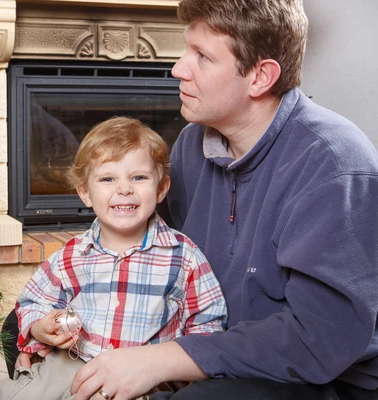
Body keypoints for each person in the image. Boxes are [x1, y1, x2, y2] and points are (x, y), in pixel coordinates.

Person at [64, 0, 378, 399]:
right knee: (18, 328)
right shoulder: (193, 144)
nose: (178, 68)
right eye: (186, 49)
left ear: (260, 77)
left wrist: (164, 359)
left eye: (202, 57)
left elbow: (318, 340)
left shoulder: (333, 165)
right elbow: (155, 250)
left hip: (322, 378)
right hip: (218, 346)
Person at [0, 116, 227, 400]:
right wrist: (42, 328)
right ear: (85, 193)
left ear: (161, 188)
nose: (124, 189)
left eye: (138, 177)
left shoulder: (184, 257)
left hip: (140, 377)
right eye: (108, 179)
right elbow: (32, 302)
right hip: (71, 362)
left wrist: (175, 371)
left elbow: (208, 327)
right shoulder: (73, 254)